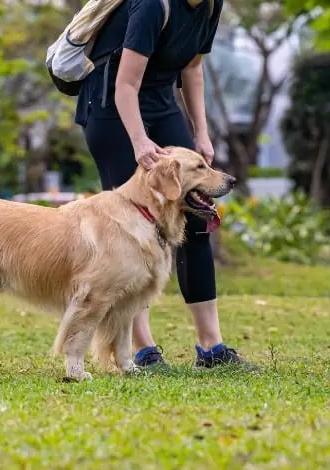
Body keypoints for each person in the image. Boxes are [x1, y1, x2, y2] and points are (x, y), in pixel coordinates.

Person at [75, 0, 252, 370]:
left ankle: (212, 346)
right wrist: (139, 142)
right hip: (111, 106)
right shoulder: (154, 6)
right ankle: (142, 350)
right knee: (130, 226)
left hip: (160, 101)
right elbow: (125, 83)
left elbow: (194, 67)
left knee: (198, 219)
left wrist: (201, 133)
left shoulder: (210, 5)